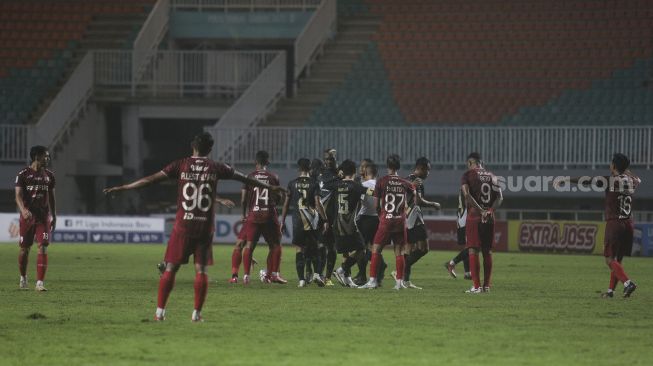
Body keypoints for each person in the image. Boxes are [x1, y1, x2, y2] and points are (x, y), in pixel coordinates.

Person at [104, 133, 285, 321]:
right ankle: (196, 314)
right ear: (210, 149)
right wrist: (269, 188)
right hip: (205, 227)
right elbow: (244, 179)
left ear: (193, 146)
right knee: (201, 271)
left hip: (183, 224)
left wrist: (125, 187)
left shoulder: (180, 165)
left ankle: (160, 313)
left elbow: (150, 179)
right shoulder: (216, 167)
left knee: (171, 269)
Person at [557, 153, 639, 298]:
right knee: (617, 260)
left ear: (613, 165)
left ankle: (627, 283)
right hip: (629, 224)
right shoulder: (633, 180)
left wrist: (566, 179)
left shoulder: (610, 180)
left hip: (615, 223)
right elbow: (635, 177)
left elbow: (587, 181)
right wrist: (624, 169)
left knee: (609, 259)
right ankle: (610, 292)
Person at [359, 154, 416, 290]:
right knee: (399, 251)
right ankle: (399, 283)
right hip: (400, 221)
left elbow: (377, 204)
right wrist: (406, 209)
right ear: (398, 166)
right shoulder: (404, 182)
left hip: (386, 220)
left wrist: (380, 215)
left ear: (387, 166)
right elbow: (414, 195)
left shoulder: (382, 181)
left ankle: (372, 281)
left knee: (376, 249)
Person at [240, 151, 287, 285]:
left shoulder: (249, 176)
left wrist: (244, 214)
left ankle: (246, 276)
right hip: (269, 215)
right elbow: (278, 197)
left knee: (249, 246)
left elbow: (243, 199)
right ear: (268, 162)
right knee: (275, 245)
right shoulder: (273, 177)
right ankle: (273, 274)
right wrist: (273, 203)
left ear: (256, 162)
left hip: (253, 215)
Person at [393, 157, 440, 289]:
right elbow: (418, 201)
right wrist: (433, 204)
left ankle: (405, 280)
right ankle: (399, 272)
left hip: (406, 217)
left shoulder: (406, 178)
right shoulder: (416, 180)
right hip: (414, 216)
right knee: (424, 248)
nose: (428, 173)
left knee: (409, 248)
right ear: (421, 168)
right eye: (427, 170)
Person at [281, 158, 328, 287]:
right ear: (310, 169)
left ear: (298, 169)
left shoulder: (291, 183)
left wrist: (282, 221)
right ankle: (317, 274)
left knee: (299, 249)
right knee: (318, 246)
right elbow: (318, 204)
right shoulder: (314, 183)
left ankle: (301, 280)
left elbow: (286, 205)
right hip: (312, 221)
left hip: (297, 221)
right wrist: (325, 220)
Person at [15, 145, 56, 292]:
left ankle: (39, 283)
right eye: (46, 155)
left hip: (43, 217)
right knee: (24, 249)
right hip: (27, 217)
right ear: (37, 157)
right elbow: (18, 196)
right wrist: (23, 210)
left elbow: (51, 197)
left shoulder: (49, 175)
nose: (48, 158)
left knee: (43, 247)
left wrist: (54, 215)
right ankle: (23, 277)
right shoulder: (23, 174)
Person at [460, 152, 502, 294]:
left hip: (474, 217)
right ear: (481, 163)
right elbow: (500, 198)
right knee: (487, 251)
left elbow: (467, 195)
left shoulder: (468, 175)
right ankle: (486, 286)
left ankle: (476, 286)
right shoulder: (493, 176)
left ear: (471, 163)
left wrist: (480, 211)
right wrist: (489, 211)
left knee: (473, 250)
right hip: (489, 218)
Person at [329, 160, 371, 287]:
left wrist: (337, 176)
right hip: (350, 225)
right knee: (361, 249)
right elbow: (371, 192)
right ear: (354, 171)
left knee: (346, 252)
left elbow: (326, 185)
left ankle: (347, 279)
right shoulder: (356, 186)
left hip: (337, 224)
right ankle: (341, 270)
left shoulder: (336, 184)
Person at [353, 162, 386, 286]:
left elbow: (358, 202)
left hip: (364, 219)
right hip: (377, 219)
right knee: (373, 248)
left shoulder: (362, 185)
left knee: (360, 248)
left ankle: (359, 274)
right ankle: (377, 271)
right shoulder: (381, 185)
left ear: (366, 172)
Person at [317, 148, 340, 286]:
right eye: (326, 159)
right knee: (318, 247)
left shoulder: (337, 175)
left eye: (331, 159)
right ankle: (316, 274)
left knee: (331, 247)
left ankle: (328, 277)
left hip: (332, 217)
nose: (328, 161)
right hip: (319, 217)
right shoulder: (320, 176)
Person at [445, 188, 471, 280]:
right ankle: (451, 263)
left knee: (467, 247)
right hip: (467, 219)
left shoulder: (464, 187)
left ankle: (468, 273)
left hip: (462, 218)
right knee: (471, 247)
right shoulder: (469, 188)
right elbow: (468, 202)